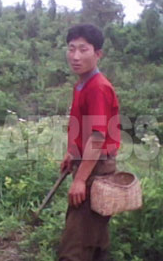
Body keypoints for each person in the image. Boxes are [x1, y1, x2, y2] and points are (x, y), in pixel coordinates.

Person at [58, 24, 121, 261]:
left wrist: (81, 179)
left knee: (75, 244)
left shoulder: (98, 88)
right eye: (71, 49)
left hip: (96, 169)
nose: (75, 56)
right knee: (94, 236)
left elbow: (97, 137)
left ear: (98, 54)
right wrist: (71, 152)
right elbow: (82, 127)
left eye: (83, 50)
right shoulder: (82, 84)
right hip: (88, 163)